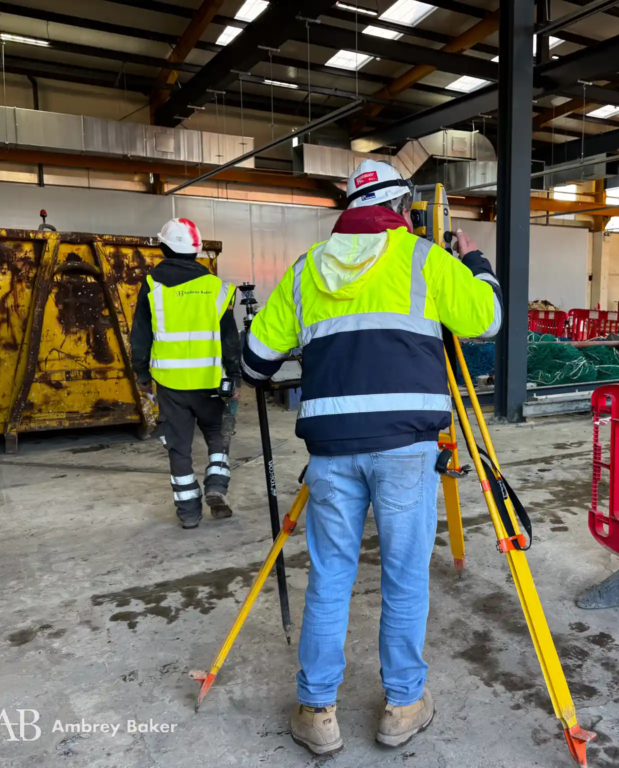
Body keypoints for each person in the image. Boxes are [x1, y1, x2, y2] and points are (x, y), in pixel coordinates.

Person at [241, 160, 502, 756]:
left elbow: (255, 363)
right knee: (405, 579)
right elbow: (486, 320)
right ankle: (403, 705)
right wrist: (476, 265)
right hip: (407, 450)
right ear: (403, 208)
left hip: (331, 455)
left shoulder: (305, 271)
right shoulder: (424, 260)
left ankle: (316, 712)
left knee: (330, 578)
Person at [130, 218, 241, 529]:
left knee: (179, 447)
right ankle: (217, 487)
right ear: (197, 251)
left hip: (171, 385)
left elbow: (140, 336)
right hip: (211, 382)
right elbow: (230, 339)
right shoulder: (216, 288)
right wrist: (234, 377)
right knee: (217, 436)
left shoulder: (152, 285)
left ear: (163, 247)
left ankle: (189, 514)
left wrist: (141, 375)